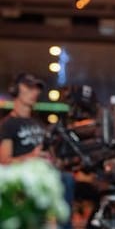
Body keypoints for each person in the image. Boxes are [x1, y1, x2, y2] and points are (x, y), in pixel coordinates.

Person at [0, 72, 75, 229]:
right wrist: (31, 157)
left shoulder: (39, 124)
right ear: (15, 89)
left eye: (36, 88)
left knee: (67, 178)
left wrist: (54, 159)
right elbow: (4, 161)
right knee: (66, 180)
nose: (34, 92)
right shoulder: (8, 124)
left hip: (46, 178)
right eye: (29, 87)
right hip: (22, 181)